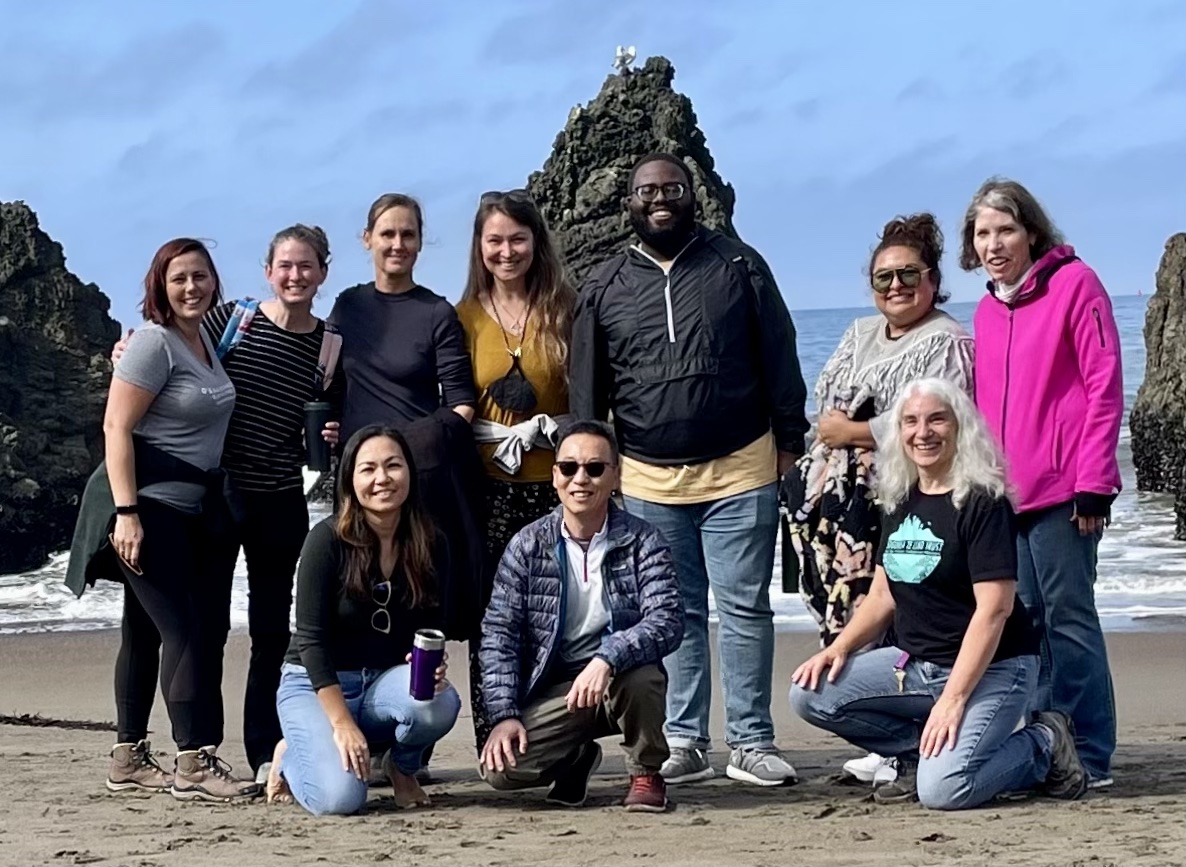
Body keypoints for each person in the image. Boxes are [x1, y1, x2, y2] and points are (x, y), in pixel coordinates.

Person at [569, 152, 809, 786]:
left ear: (690, 194)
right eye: (646, 190)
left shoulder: (739, 265)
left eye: (671, 187)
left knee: (743, 608)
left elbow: (780, 356)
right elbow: (587, 393)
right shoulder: (604, 284)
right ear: (629, 202)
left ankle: (753, 741)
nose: (660, 199)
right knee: (673, 614)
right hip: (647, 479)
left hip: (742, 469)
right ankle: (685, 742)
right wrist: (589, 471)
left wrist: (790, 442)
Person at [108, 225, 342, 785]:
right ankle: (194, 750)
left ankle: (263, 750)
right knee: (203, 626)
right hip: (216, 496)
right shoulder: (229, 321)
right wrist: (122, 348)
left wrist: (332, 432)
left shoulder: (330, 345)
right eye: (285, 265)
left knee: (271, 631)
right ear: (268, 271)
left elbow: (333, 416)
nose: (295, 275)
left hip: (282, 496)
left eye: (306, 266)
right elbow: (159, 348)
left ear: (323, 273)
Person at [789, 378, 1088, 809]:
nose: (922, 432)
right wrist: (838, 648)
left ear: (960, 427)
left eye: (936, 419)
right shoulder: (898, 497)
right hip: (914, 666)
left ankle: (1043, 741)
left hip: (995, 670)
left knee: (944, 790)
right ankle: (915, 754)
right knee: (810, 694)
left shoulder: (983, 502)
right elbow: (882, 596)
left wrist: (953, 700)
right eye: (910, 422)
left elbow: (994, 610)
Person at [782, 213, 974, 784]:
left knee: (890, 607)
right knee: (839, 612)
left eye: (908, 274)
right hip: (831, 501)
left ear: (933, 278)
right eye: (883, 277)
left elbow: (938, 420)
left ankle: (900, 738)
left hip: (893, 495)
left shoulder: (948, 341)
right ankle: (877, 735)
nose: (895, 286)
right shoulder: (860, 332)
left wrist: (855, 433)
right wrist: (836, 435)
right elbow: (829, 398)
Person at [70, 238, 258, 801]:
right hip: (146, 507)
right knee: (186, 630)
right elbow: (115, 428)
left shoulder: (201, 341)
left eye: (200, 276)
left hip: (187, 508)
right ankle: (193, 761)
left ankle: (127, 758)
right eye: (179, 278)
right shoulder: (153, 343)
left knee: (144, 629)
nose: (191, 287)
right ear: (160, 286)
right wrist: (127, 514)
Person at [959, 177, 1123, 789]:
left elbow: (1104, 386)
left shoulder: (1075, 285)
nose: (995, 243)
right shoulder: (985, 307)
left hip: (1066, 491)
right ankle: (1051, 746)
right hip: (1004, 494)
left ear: (1031, 232)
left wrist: (1095, 481)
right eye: (983, 234)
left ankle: (1094, 754)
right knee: (1024, 622)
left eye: (1006, 230)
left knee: (1069, 617)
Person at [478, 420, 684, 812]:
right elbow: (498, 635)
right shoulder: (527, 544)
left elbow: (668, 620)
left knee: (643, 676)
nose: (580, 479)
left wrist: (608, 657)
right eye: (569, 468)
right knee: (501, 771)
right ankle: (575, 759)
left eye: (594, 468)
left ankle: (645, 772)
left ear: (615, 475)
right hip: (557, 689)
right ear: (554, 476)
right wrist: (504, 713)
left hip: (619, 678)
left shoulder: (645, 540)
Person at [267, 425, 462, 816]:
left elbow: (431, 629)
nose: (382, 479)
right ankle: (289, 757)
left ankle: (402, 768)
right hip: (315, 686)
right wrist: (341, 722)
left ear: (410, 472)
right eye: (368, 469)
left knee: (439, 704)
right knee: (341, 799)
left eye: (393, 465)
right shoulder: (325, 541)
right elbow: (311, 641)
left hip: (381, 684)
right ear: (349, 481)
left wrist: (431, 668)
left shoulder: (432, 542)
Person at [327, 194, 486, 646]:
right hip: (355, 478)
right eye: (387, 234)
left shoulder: (436, 312)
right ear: (367, 240)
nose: (397, 243)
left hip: (414, 480)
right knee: (353, 601)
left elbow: (461, 402)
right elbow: (323, 377)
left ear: (419, 243)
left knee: (413, 606)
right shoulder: (348, 306)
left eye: (407, 234)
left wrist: (409, 450)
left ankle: (416, 705)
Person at [456, 189, 577, 753]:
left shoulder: (566, 309)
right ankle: (493, 736)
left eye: (518, 239)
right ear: (480, 247)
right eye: (495, 240)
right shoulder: (461, 318)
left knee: (558, 609)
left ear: (536, 242)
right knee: (493, 615)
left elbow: (594, 395)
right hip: (486, 486)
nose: (507, 252)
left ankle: (558, 736)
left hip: (557, 484)